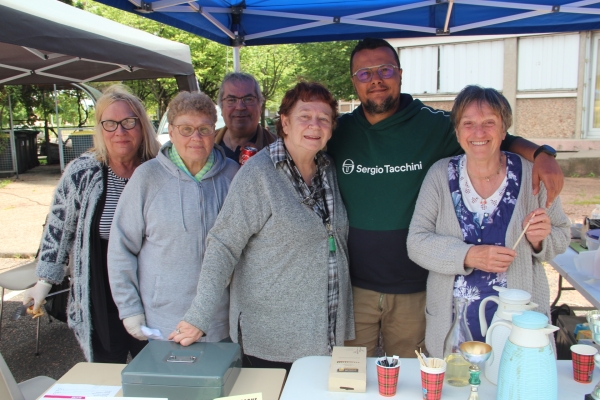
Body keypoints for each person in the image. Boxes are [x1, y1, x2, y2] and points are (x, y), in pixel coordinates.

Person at [326, 37, 565, 358]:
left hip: (415, 289)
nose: (376, 80)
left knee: (412, 377)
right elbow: (299, 143)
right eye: (364, 74)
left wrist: (541, 154)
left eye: (385, 69)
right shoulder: (338, 132)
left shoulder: (433, 126)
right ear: (354, 81)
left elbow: (492, 136)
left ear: (400, 73)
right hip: (354, 287)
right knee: (351, 378)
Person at [169, 82, 354, 372]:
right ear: (285, 122)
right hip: (273, 339)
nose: (314, 125)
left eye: (324, 118)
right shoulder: (259, 174)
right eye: (304, 116)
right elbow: (223, 244)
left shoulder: (328, 169)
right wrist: (199, 315)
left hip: (326, 331)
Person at [406, 85, 570, 357]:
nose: (478, 132)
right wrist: (469, 255)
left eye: (489, 123)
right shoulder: (439, 175)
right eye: (468, 123)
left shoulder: (532, 176)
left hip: (516, 326)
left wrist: (539, 241)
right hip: (454, 324)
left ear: (504, 131)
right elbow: (416, 242)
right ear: (457, 132)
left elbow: (562, 235)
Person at [22, 85, 160, 362]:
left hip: (154, 294)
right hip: (100, 294)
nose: (120, 131)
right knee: (107, 374)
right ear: (100, 128)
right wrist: (45, 281)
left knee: (158, 370)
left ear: (142, 125)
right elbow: (58, 228)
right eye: (110, 123)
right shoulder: (82, 173)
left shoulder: (160, 168)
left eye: (129, 122)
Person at [107, 91, 238, 343]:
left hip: (221, 321)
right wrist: (130, 309)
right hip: (165, 322)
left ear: (214, 130)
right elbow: (121, 249)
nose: (196, 138)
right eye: (186, 129)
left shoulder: (233, 176)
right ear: (172, 130)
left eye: (204, 129)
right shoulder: (147, 178)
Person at [215, 72, 276, 163]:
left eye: (248, 99)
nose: (240, 107)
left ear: (260, 106)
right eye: (231, 100)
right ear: (221, 106)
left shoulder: (279, 149)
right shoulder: (204, 145)